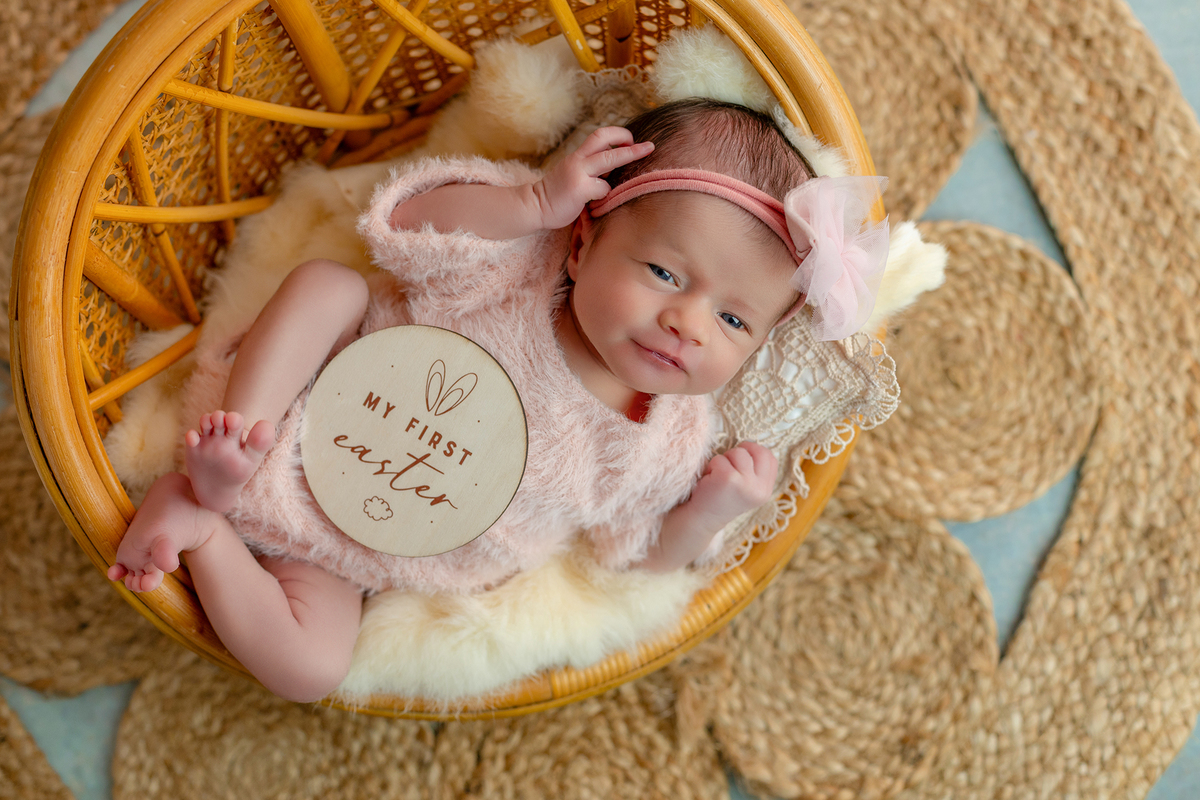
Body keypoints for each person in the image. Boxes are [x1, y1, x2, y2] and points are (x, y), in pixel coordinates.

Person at [107, 99, 888, 702]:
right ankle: (231, 451)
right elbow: (404, 221)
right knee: (328, 286)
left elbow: (642, 557)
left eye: (732, 320)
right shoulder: (520, 269)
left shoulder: (665, 438)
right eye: (665, 274)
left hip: (349, 560)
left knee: (309, 668)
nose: (687, 323)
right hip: (294, 417)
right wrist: (532, 202)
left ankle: (201, 527)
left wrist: (711, 510)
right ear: (583, 242)